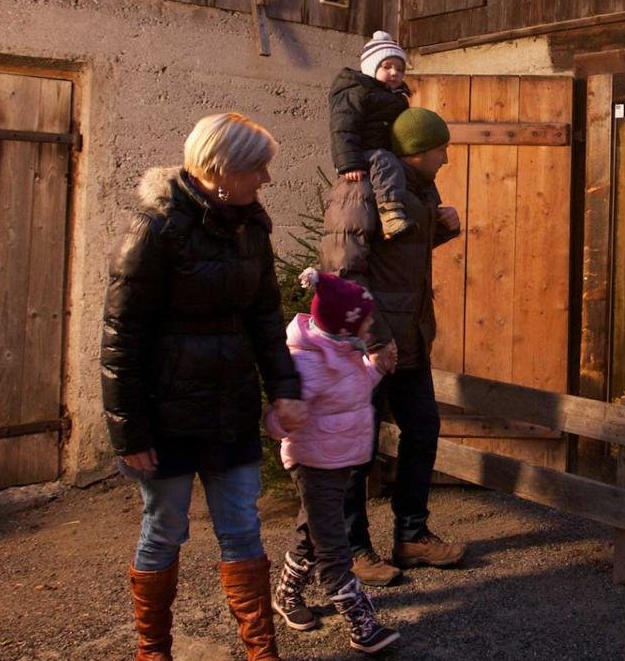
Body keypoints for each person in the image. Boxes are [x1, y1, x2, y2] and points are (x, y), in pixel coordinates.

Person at [101, 113, 305, 661]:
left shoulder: (252, 226)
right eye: (257, 168)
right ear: (220, 170)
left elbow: (266, 317)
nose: (266, 179)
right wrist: (129, 432)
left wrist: (284, 388)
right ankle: (154, 651)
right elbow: (122, 339)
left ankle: (263, 652)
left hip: (230, 409)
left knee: (242, 528)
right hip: (164, 417)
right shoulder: (156, 229)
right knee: (164, 530)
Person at [319, 107, 465, 587]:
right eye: (441, 148)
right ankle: (353, 549)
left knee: (422, 429)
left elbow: (399, 252)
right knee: (355, 447)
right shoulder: (360, 188)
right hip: (368, 344)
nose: (446, 158)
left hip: (409, 339)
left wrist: (442, 227)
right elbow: (343, 271)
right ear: (419, 150)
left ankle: (411, 536)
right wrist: (375, 338)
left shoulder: (416, 188)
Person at [265, 267, 400, 654]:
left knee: (312, 530)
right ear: (346, 326)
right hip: (313, 463)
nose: (371, 324)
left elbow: (350, 391)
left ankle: (287, 594)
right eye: (366, 319)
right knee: (333, 546)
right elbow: (281, 416)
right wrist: (281, 418)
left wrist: (376, 368)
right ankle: (361, 624)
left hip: (338, 459)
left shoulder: (344, 350)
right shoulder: (308, 363)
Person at [329, 30, 415, 240]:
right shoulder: (357, 91)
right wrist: (350, 163)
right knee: (385, 162)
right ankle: (391, 214)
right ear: (371, 67)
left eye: (400, 69)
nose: (394, 72)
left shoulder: (397, 97)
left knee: (399, 167)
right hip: (366, 152)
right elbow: (343, 126)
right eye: (387, 67)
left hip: (384, 150)